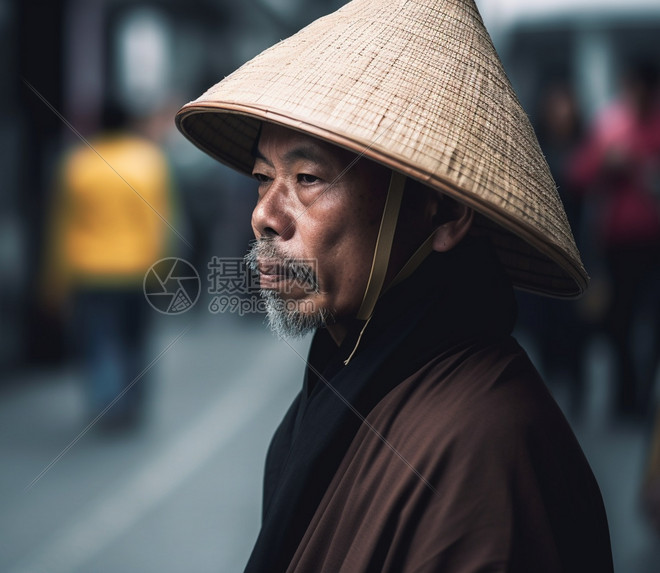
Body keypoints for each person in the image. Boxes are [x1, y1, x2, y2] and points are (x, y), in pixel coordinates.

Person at [175, 0, 613, 571]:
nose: (265, 215)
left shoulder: (484, 449)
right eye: (263, 179)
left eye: (307, 179)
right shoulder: (348, 377)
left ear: (445, 215)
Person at [43, 102, 172, 430]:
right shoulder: (148, 161)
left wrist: (55, 278)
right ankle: (132, 401)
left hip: (91, 268)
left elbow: (62, 225)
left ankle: (106, 401)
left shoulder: (79, 164)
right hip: (138, 267)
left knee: (97, 338)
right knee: (134, 339)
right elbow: (159, 220)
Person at [569, 61, 660, 421]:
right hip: (618, 245)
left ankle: (644, 394)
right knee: (618, 321)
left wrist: (638, 165)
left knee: (652, 321)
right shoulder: (612, 125)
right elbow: (579, 174)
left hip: (654, 242)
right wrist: (607, 163)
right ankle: (625, 398)